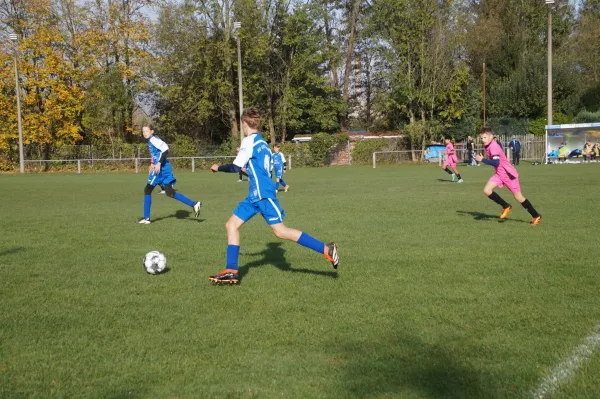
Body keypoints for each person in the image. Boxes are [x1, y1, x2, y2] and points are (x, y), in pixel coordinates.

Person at [208, 107, 338, 285]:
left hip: (263, 196)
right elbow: (257, 171)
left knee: (281, 231)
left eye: (242, 124)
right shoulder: (263, 144)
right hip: (255, 195)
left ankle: (326, 249)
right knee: (231, 225)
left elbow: (236, 167)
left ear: (245, 124)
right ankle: (231, 271)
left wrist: (218, 167)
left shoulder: (249, 141)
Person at [475, 127, 542, 225]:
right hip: (500, 174)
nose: (482, 140)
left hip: (508, 174)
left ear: (491, 137)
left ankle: (536, 216)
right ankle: (506, 206)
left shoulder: (493, 146)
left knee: (518, 197)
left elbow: (496, 162)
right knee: (487, 190)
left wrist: (482, 160)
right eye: (481, 138)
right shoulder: (488, 145)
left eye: (485, 137)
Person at [137, 124, 201, 224]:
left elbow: (166, 149)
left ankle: (146, 218)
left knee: (147, 189)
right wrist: (152, 164)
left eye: (146, 131)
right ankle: (194, 204)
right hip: (164, 167)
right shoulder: (151, 140)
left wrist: (158, 163)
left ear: (152, 131)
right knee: (169, 192)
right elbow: (156, 154)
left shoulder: (153, 140)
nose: (144, 133)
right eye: (143, 131)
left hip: (161, 169)